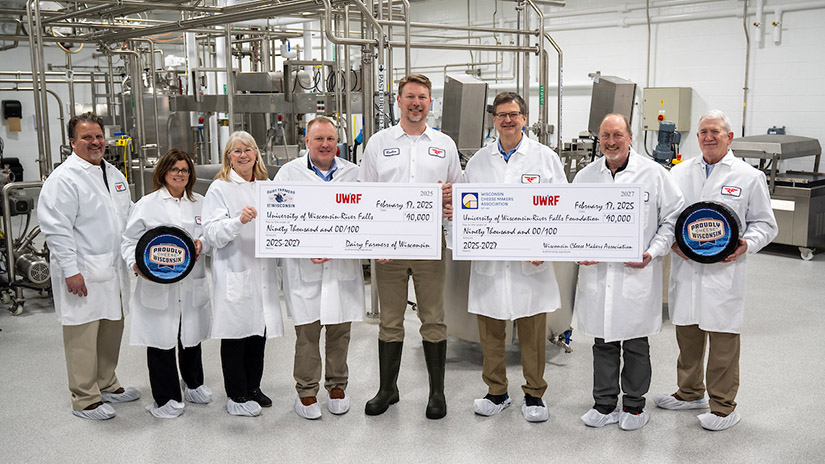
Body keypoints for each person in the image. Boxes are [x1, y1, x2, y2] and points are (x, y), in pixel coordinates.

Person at [654, 110, 778, 431]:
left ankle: (723, 407)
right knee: (688, 336)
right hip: (686, 268)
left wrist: (745, 244)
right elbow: (667, 218)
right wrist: (671, 243)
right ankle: (689, 392)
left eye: (716, 131)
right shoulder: (679, 174)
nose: (709, 137)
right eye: (703, 132)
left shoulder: (748, 177)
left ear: (729, 137)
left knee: (723, 341)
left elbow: (765, 224)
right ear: (696, 137)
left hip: (725, 272)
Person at [358, 74, 462, 419]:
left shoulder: (444, 145)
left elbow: (457, 194)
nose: (416, 102)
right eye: (410, 97)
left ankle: (436, 393)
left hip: (431, 245)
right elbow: (365, 194)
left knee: (433, 318)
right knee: (390, 320)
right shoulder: (378, 142)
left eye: (422, 97)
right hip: (388, 246)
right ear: (399, 101)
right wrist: (373, 240)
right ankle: (388, 389)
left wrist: (450, 205)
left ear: (430, 103)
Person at [573, 113, 685, 431]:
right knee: (603, 342)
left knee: (636, 344)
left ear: (630, 137)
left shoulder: (653, 174)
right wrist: (577, 251)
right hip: (599, 276)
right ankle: (605, 403)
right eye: (606, 136)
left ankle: (635, 405)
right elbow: (570, 222)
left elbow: (672, 219)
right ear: (599, 138)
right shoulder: (585, 177)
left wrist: (652, 252)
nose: (611, 142)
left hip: (637, 274)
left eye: (617, 135)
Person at [461, 92, 567, 423]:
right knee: (491, 334)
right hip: (490, 264)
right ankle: (496, 393)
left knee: (533, 334)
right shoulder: (478, 161)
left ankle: (535, 395)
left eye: (514, 114)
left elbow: (562, 207)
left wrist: (546, 246)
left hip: (530, 265)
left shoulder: (545, 158)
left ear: (524, 118)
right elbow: (466, 212)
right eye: (501, 114)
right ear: (493, 119)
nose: (508, 120)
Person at [38, 112, 140, 420]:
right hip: (82, 269)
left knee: (111, 327)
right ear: (72, 142)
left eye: (98, 136)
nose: (94, 142)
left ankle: (107, 383)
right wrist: (71, 270)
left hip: (112, 268)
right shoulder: (64, 179)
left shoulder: (113, 173)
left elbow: (131, 214)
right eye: (86, 137)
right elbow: (56, 228)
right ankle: (84, 399)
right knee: (82, 335)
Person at [274, 117, 365, 420]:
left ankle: (337, 385)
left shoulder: (354, 173)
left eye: (330, 139)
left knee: (340, 332)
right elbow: (278, 222)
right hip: (305, 271)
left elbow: (367, 216)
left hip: (342, 269)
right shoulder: (288, 174)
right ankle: (307, 390)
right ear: (307, 142)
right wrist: (303, 248)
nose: (325, 144)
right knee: (308, 336)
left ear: (337, 141)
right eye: (319, 139)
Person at [121, 149, 213, 419]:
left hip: (190, 282)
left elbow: (209, 235)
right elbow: (129, 241)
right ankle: (166, 398)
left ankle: (193, 384)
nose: (180, 174)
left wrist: (202, 243)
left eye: (184, 170)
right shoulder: (147, 204)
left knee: (191, 336)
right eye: (174, 169)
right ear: (163, 172)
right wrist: (135, 264)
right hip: (158, 284)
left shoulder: (201, 203)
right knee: (161, 339)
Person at [202, 131, 284, 417]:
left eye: (248, 149)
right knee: (236, 334)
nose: (243, 155)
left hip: (261, 271)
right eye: (237, 151)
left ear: (256, 154)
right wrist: (238, 220)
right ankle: (236, 394)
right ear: (228, 157)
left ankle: (253, 388)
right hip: (235, 269)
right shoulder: (220, 188)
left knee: (257, 333)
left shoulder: (267, 186)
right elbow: (210, 234)